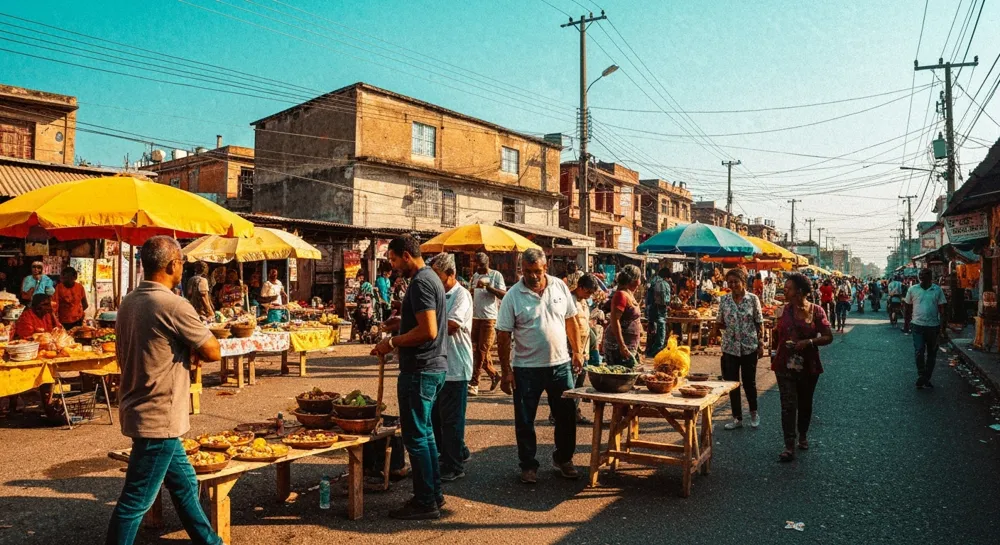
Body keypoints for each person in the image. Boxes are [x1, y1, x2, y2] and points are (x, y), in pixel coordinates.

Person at [106, 236, 223, 545]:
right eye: (181, 262)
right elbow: (213, 350)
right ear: (173, 265)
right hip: (159, 415)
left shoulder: (130, 301)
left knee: (184, 486)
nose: (182, 267)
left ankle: (210, 541)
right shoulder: (172, 304)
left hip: (139, 406)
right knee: (135, 502)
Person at [371, 235, 447, 520]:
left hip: (421, 370)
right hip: (432, 368)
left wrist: (392, 342)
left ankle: (425, 501)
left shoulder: (421, 282)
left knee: (416, 437)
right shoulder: (431, 278)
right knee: (425, 435)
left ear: (405, 255)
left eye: (392, 260)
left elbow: (428, 330)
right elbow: (423, 321)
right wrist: (400, 324)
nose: (392, 266)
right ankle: (433, 494)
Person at [496, 248, 583, 485]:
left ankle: (564, 459)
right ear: (520, 270)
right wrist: (506, 372)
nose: (532, 276)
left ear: (545, 268)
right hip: (526, 369)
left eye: (536, 271)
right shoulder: (513, 295)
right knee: (525, 420)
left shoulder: (559, 287)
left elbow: (570, 320)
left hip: (560, 365)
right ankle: (528, 465)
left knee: (566, 416)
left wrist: (577, 351)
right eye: (527, 271)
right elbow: (503, 335)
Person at [770, 273, 833, 462]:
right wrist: (773, 353)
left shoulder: (817, 311)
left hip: (809, 366)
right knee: (788, 405)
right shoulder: (781, 311)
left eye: (788, 287)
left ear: (799, 291)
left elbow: (828, 336)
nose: (784, 290)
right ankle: (789, 445)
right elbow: (775, 336)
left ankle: (803, 434)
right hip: (784, 364)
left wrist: (809, 342)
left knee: (805, 404)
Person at [428, 253, 473, 482]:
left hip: (456, 365)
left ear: (451, 274)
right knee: (437, 417)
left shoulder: (461, 295)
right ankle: (456, 452)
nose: (435, 281)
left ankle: (453, 465)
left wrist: (425, 325)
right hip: (438, 364)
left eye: (439, 277)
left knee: (452, 419)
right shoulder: (438, 294)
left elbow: (453, 325)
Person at [712, 268, 764, 430]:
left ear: (743, 282)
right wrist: (714, 330)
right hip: (730, 348)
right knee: (732, 384)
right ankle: (737, 418)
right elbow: (720, 321)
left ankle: (754, 413)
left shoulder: (753, 299)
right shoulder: (725, 300)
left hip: (749, 347)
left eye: (736, 282)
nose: (733, 285)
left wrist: (761, 344)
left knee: (750, 383)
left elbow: (759, 322)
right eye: (730, 282)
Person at [468, 252, 506, 396]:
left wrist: (488, 288)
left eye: (482, 266)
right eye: (477, 266)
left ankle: (474, 382)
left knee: (482, 350)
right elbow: (472, 292)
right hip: (475, 317)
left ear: (487, 263)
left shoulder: (496, 275)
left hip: (489, 318)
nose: (479, 269)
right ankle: (494, 374)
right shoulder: (475, 276)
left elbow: (503, 294)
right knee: (477, 350)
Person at [903, 268, 948, 389]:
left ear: (930, 277)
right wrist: (906, 325)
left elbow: (942, 310)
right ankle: (921, 374)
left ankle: (926, 377)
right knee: (919, 351)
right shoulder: (913, 289)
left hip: (933, 327)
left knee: (932, 353)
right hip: (917, 325)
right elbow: (907, 308)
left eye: (925, 275)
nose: (922, 277)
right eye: (921, 275)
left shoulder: (937, 290)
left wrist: (943, 329)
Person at [568, 273, 598, 425]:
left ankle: (574, 413)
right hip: (572, 351)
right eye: (587, 292)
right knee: (570, 386)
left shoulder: (584, 302)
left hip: (584, 351)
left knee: (579, 386)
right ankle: (561, 415)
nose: (589, 296)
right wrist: (575, 351)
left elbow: (586, 325)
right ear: (580, 287)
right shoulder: (569, 301)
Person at [603, 265, 643, 368]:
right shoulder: (621, 295)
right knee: (619, 378)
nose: (640, 282)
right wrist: (622, 346)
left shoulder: (629, 294)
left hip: (630, 344)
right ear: (633, 280)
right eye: (639, 278)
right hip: (618, 347)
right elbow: (615, 320)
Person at [644, 267, 671, 358]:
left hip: (651, 311)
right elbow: (663, 301)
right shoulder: (662, 284)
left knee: (652, 332)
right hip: (659, 312)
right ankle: (656, 353)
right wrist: (667, 305)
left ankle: (649, 351)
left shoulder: (653, 280)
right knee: (660, 335)